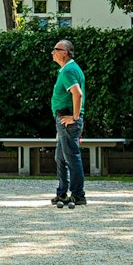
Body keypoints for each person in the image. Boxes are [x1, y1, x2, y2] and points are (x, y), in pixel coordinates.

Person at [50, 39, 87, 208]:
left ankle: (78, 195)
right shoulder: (68, 69)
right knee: (60, 157)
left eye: (56, 49)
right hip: (64, 120)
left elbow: (77, 94)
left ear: (65, 52)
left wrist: (75, 117)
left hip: (67, 121)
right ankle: (62, 193)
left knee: (71, 157)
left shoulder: (68, 71)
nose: (53, 52)